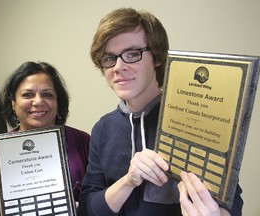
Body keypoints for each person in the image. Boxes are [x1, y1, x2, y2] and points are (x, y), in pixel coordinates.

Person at [78, 7, 243, 216]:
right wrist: (129, 180)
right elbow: (87, 209)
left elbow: (231, 202)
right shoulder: (103, 129)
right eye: (109, 58)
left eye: (132, 54)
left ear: (157, 57)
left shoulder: (196, 120)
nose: (118, 66)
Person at [0, 61, 90, 215]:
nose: (38, 101)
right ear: (13, 103)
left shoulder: (83, 141)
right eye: (28, 95)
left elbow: (102, 199)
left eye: (47, 94)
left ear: (57, 102)